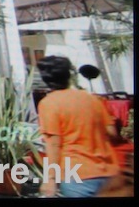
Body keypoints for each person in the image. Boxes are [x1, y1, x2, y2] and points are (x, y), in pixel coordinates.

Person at [36, 56, 121, 198]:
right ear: (68, 75)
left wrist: (50, 178)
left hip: (77, 175)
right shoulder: (92, 99)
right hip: (108, 171)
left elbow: (54, 145)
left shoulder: (49, 103)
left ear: (45, 79)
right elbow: (112, 132)